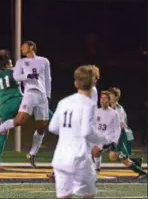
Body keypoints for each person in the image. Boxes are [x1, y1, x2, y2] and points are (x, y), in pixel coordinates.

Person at [49, 65, 114, 199]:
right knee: (89, 195)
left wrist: (70, 131)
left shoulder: (63, 102)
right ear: (94, 82)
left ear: (75, 83)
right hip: (78, 158)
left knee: (64, 196)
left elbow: (53, 127)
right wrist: (105, 139)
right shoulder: (88, 104)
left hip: (60, 157)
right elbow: (87, 131)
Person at [0, 41, 52, 168]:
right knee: (19, 121)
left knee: (42, 126)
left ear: (32, 47)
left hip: (42, 96)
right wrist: (29, 75)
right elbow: (16, 76)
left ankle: (32, 154)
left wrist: (48, 95)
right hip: (29, 94)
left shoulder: (44, 61)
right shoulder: (21, 62)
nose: (21, 48)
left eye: (24, 46)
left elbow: (48, 79)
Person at [108, 87, 147, 178]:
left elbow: (121, 126)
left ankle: (143, 173)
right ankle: (136, 161)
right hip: (119, 135)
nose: (108, 96)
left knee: (123, 159)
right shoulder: (111, 109)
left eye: (111, 95)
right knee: (112, 157)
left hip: (123, 135)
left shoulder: (118, 109)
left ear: (116, 97)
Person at [92, 91, 121, 172]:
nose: (102, 100)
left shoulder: (114, 113)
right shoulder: (97, 111)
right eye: (101, 98)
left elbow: (117, 129)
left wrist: (115, 141)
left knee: (96, 148)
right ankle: (96, 167)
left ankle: (96, 167)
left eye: (104, 98)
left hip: (108, 138)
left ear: (108, 100)